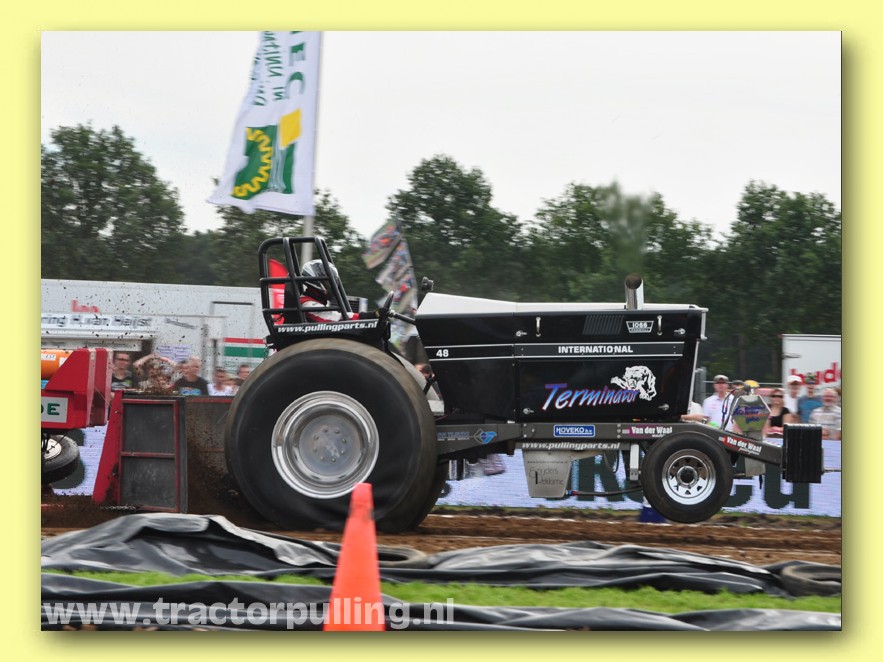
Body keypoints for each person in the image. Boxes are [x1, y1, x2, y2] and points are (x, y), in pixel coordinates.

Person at [296, 259, 380, 323]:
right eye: (328, 282)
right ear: (316, 282)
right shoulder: (306, 303)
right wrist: (370, 315)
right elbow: (336, 319)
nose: (333, 286)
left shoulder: (317, 301)